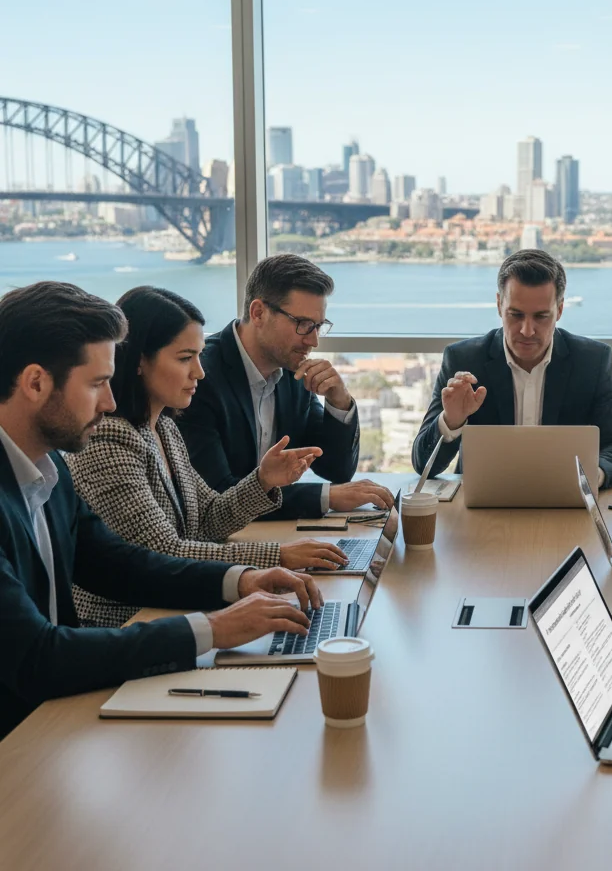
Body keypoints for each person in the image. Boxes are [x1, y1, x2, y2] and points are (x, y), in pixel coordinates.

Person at [0, 281, 323, 739]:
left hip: (55, 713)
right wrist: (211, 629)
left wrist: (241, 580)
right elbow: (37, 656)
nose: (109, 402)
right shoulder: (85, 450)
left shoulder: (48, 466)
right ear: (35, 382)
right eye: (96, 384)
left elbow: (119, 563)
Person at [66, 286, 350, 629]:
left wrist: (263, 481)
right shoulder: (108, 442)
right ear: (140, 359)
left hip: (171, 611)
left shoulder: (165, 429)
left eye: (199, 356)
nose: (199, 372)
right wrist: (278, 556)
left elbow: (207, 521)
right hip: (125, 627)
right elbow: (165, 552)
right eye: (185, 358)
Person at [178, 253, 394, 520]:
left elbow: (336, 470)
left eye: (318, 326)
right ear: (258, 313)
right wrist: (327, 497)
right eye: (303, 325)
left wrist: (339, 401)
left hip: (275, 534)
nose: (313, 341)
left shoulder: (292, 374)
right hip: (220, 544)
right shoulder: (200, 378)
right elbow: (218, 495)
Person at [411, 249, 612, 487]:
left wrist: (593, 476)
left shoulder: (592, 361)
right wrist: (452, 421)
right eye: (516, 315)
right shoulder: (464, 359)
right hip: (482, 507)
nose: (527, 330)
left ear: (559, 310)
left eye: (541, 316)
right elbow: (422, 464)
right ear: (500, 305)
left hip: (568, 504)